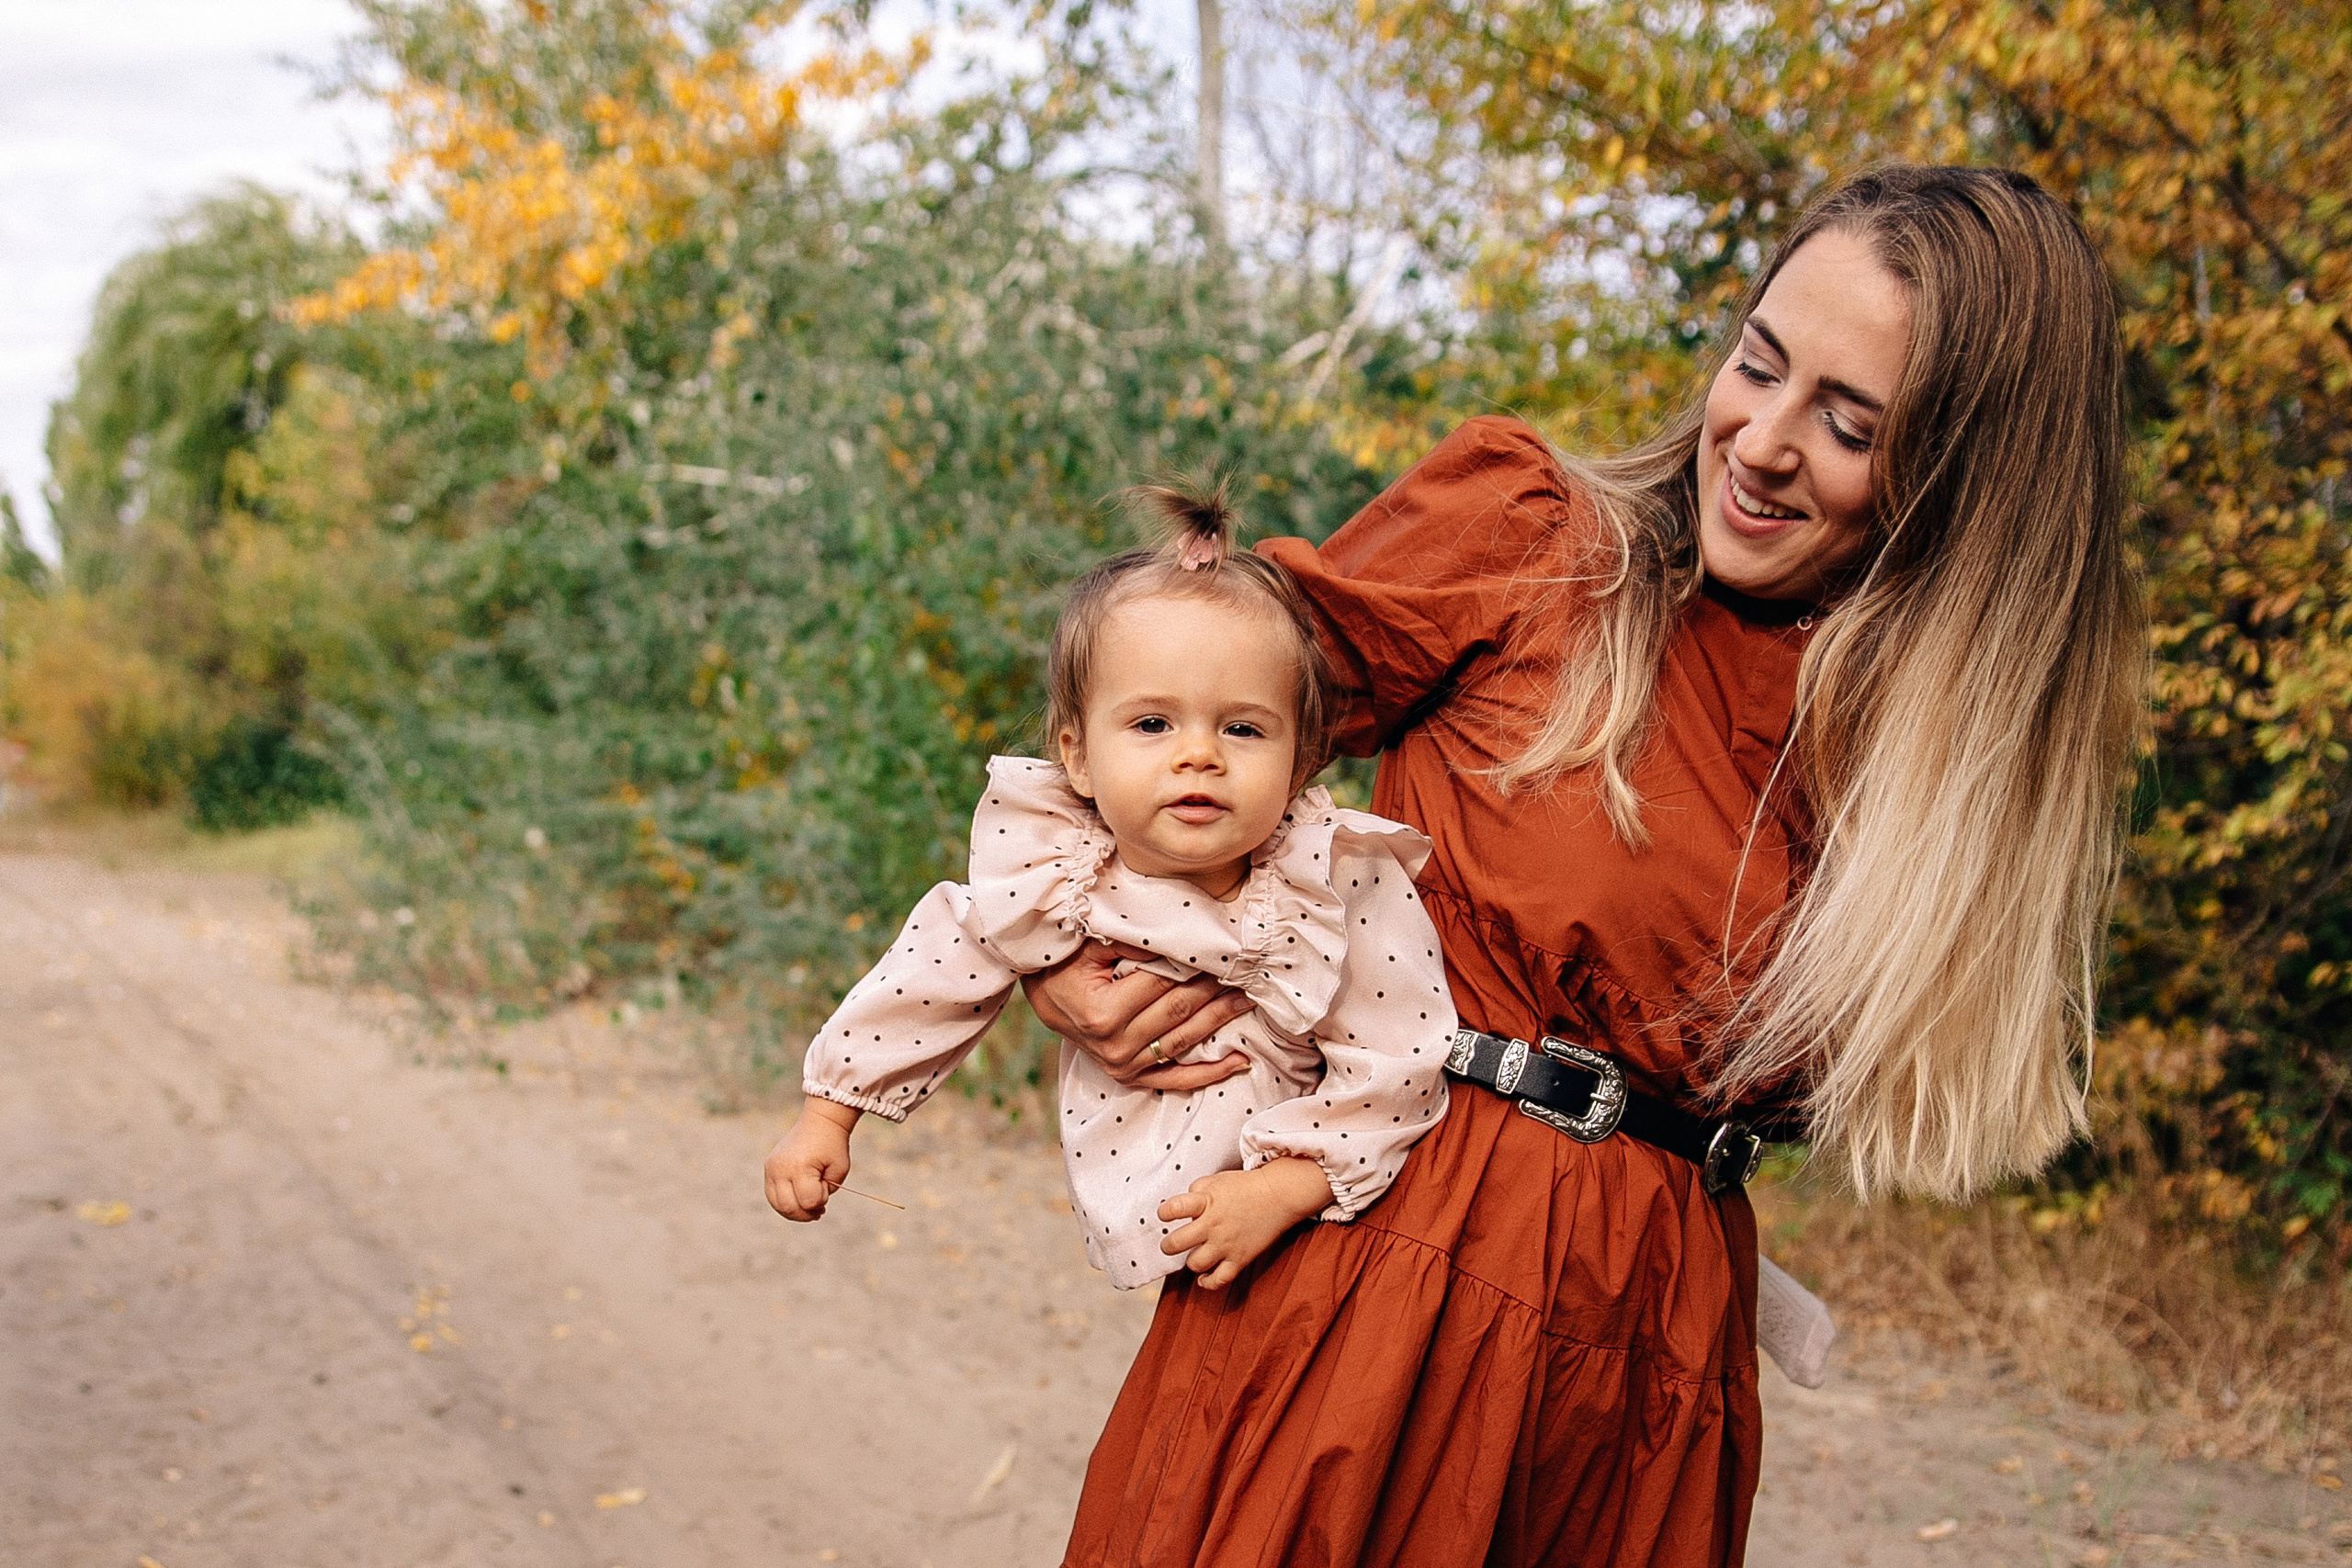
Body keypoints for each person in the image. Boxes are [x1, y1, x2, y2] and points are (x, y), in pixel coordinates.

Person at [1033, 164, 2143, 1566]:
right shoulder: (1539, 541)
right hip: (1387, 1286)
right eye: (1759, 363)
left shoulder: (1941, 781)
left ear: (1966, 484)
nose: (1762, 439)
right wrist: (1065, 945)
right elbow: (1163, 700)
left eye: (1850, 423)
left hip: (1655, 1365)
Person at [763, 487, 1457, 1292]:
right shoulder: (1061, 876)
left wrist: (1285, 1185)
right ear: (1079, 757)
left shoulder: (1334, 878)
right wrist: (831, 1112)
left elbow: (1402, 1056)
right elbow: (933, 969)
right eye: (1153, 724)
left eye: (1243, 728)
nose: (1199, 754)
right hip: (1167, 1208)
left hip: (1331, 1202)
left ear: (1301, 761)